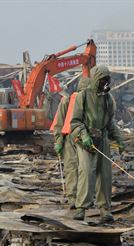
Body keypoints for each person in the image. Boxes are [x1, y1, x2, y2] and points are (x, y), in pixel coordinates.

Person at [70, 65, 125, 222]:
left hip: (102, 140)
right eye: (102, 80)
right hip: (86, 141)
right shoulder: (83, 96)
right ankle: (81, 208)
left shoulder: (108, 99)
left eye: (107, 80)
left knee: (105, 175)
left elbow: (110, 123)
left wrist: (120, 140)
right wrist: (84, 135)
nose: (105, 83)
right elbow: (75, 122)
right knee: (86, 173)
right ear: (96, 79)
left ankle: (104, 209)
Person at [51, 77, 90, 209]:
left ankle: (85, 197)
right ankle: (73, 197)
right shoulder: (67, 101)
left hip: (86, 139)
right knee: (72, 168)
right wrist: (59, 141)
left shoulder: (92, 102)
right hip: (70, 139)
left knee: (86, 169)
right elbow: (59, 123)